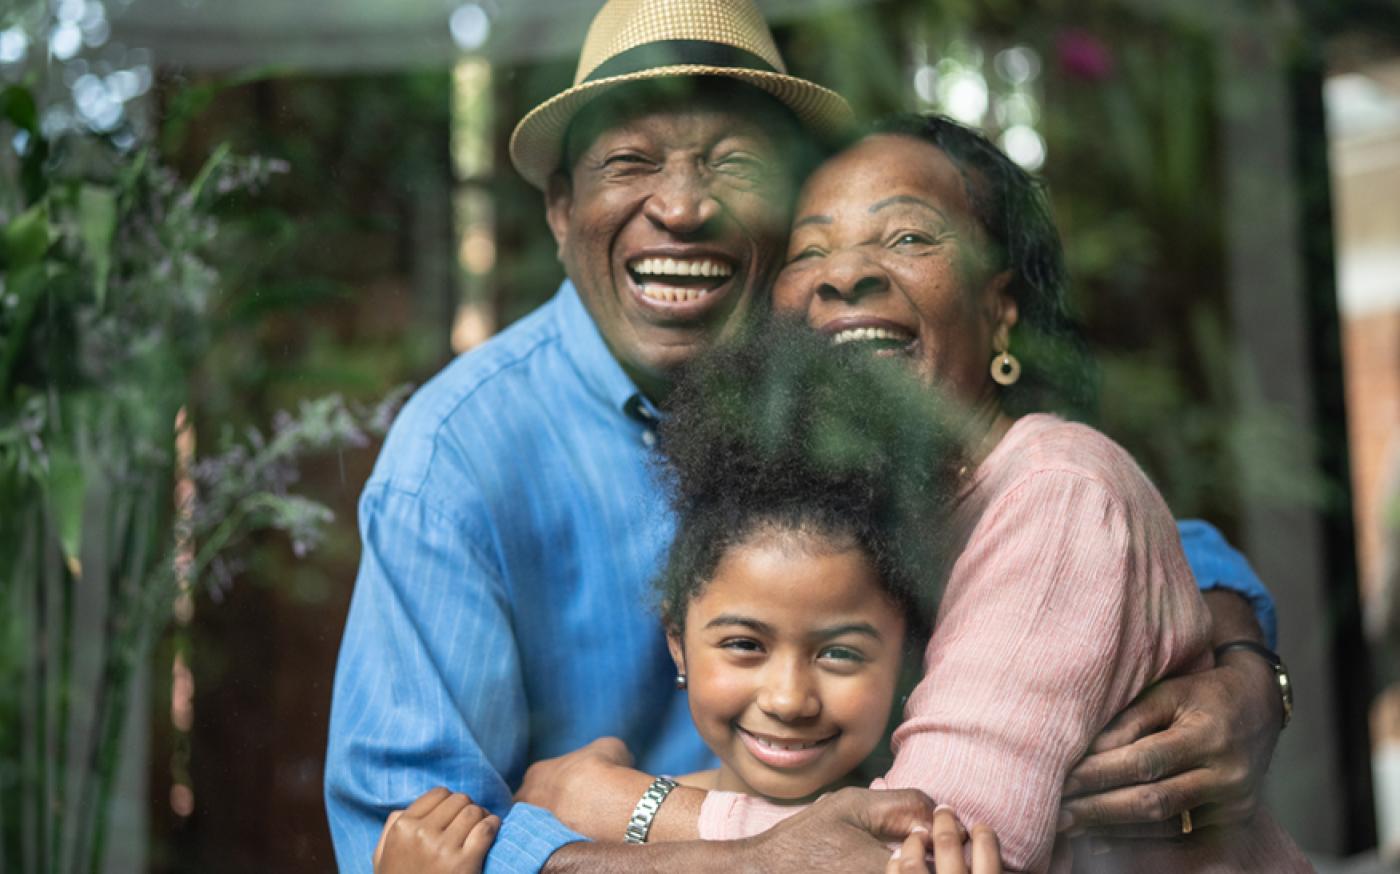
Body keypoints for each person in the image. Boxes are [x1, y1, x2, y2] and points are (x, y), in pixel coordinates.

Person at [325, 1, 1288, 871]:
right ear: (561, 209)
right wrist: (702, 854)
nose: (683, 207)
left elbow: (1072, 518)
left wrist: (1244, 668)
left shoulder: (841, 382)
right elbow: (406, 837)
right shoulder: (456, 459)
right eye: (630, 161)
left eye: (732, 164)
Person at [514, 115, 1309, 871]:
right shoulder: (862, 515)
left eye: (907, 237)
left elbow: (922, 854)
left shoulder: (1060, 492)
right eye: (809, 249)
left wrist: (623, 810)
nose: (847, 273)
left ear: (1001, 313)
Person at [373, 322, 1005, 873]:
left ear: (905, 652)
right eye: (743, 644)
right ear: (678, 641)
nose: (788, 699)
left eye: (839, 653)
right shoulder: (594, 834)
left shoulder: (928, 843)